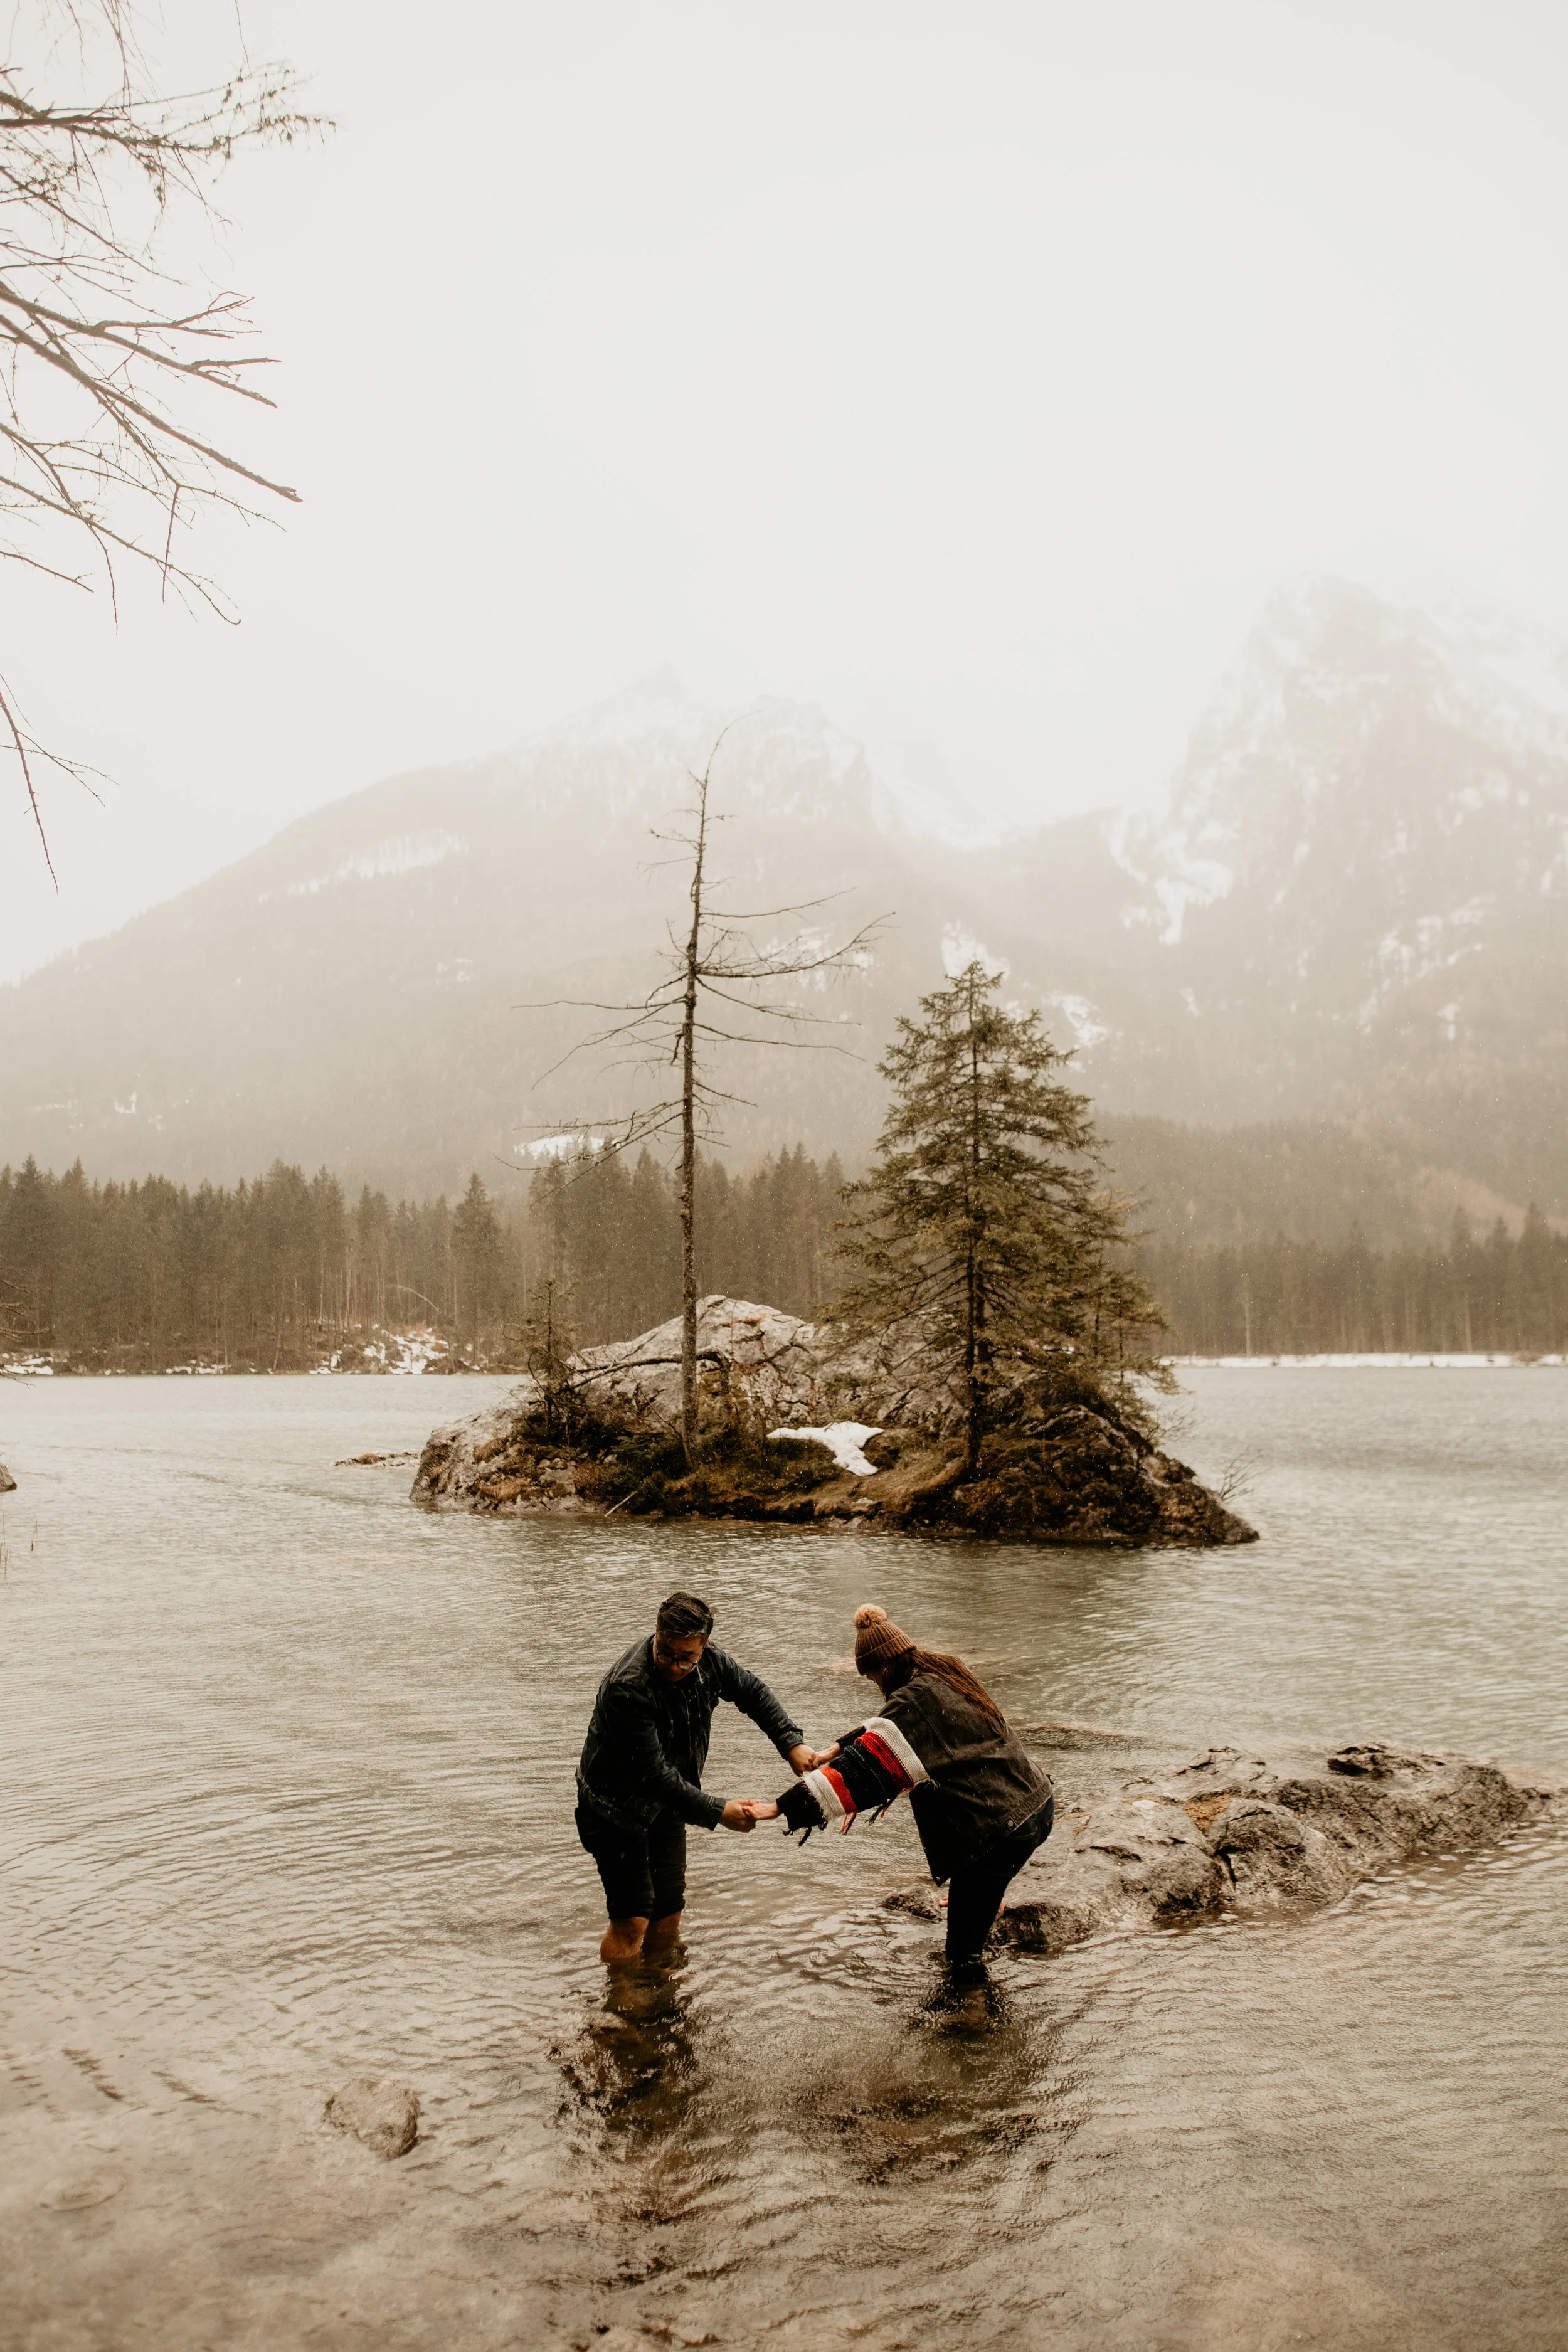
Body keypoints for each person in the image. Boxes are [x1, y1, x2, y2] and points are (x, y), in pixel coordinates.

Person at [746, 1602, 1053, 1981]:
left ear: (885, 1667)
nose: (876, 1685)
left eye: (874, 1678)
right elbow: (884, 1724)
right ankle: (985, 1899)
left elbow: (859, 1773)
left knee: (962, 1956)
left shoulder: (912, 1702)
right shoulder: (945, 1672)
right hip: (1036, 1805)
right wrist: (831, 1750)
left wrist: (777, 1808)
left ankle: (971, 2022)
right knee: (974, 1881)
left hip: (1002, 1832)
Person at [576, 1589, 820, 1964]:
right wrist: (720, 1810)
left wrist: (790, 1742)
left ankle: (660, 1985)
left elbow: (753, 1693)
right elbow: (653, 1775)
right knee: (632, 1919)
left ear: (703, 1647)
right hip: (614, 1811)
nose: (674, 1666)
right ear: (656, 1632)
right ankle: (620, 2008)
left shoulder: (712, 1663)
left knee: (669, 1909)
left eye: (686, 1659)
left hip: (669, 1806)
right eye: (665, 1653)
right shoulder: (628, 1688)